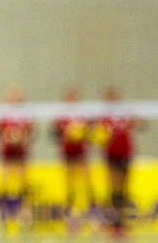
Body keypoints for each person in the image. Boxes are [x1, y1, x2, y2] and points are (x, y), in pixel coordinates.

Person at [95, 87, 143, 235]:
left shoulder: (125, 114)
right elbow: (98, 135)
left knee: (124, 189)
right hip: (111, 155)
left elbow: (137, 125)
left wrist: (134, 121)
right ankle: (112, 221)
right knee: (113, 188)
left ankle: (121, 221)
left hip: (125, 153)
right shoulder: (103, 117)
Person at [52, 86, 95, 226]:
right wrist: (66, 137)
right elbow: (55, 134)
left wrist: (82, 136)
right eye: (69, 97)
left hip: (81, 152)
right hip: (67, 152)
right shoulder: (61, 115)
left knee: (86, 179)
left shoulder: (83, 114)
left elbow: (91, 132)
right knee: (70, 181)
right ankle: (70, 211)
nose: (72, 99)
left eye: (74, 97)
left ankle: (91, 210)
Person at [0, 87, 33, 226]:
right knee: (4, 181)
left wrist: (20, 138)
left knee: (24, 182)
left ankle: (25, 213)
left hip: (20, 153)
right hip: (7, 153)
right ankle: (1, 212)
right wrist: (8, 137)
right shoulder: (3, 113)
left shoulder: (24, 114)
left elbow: (29, 134)